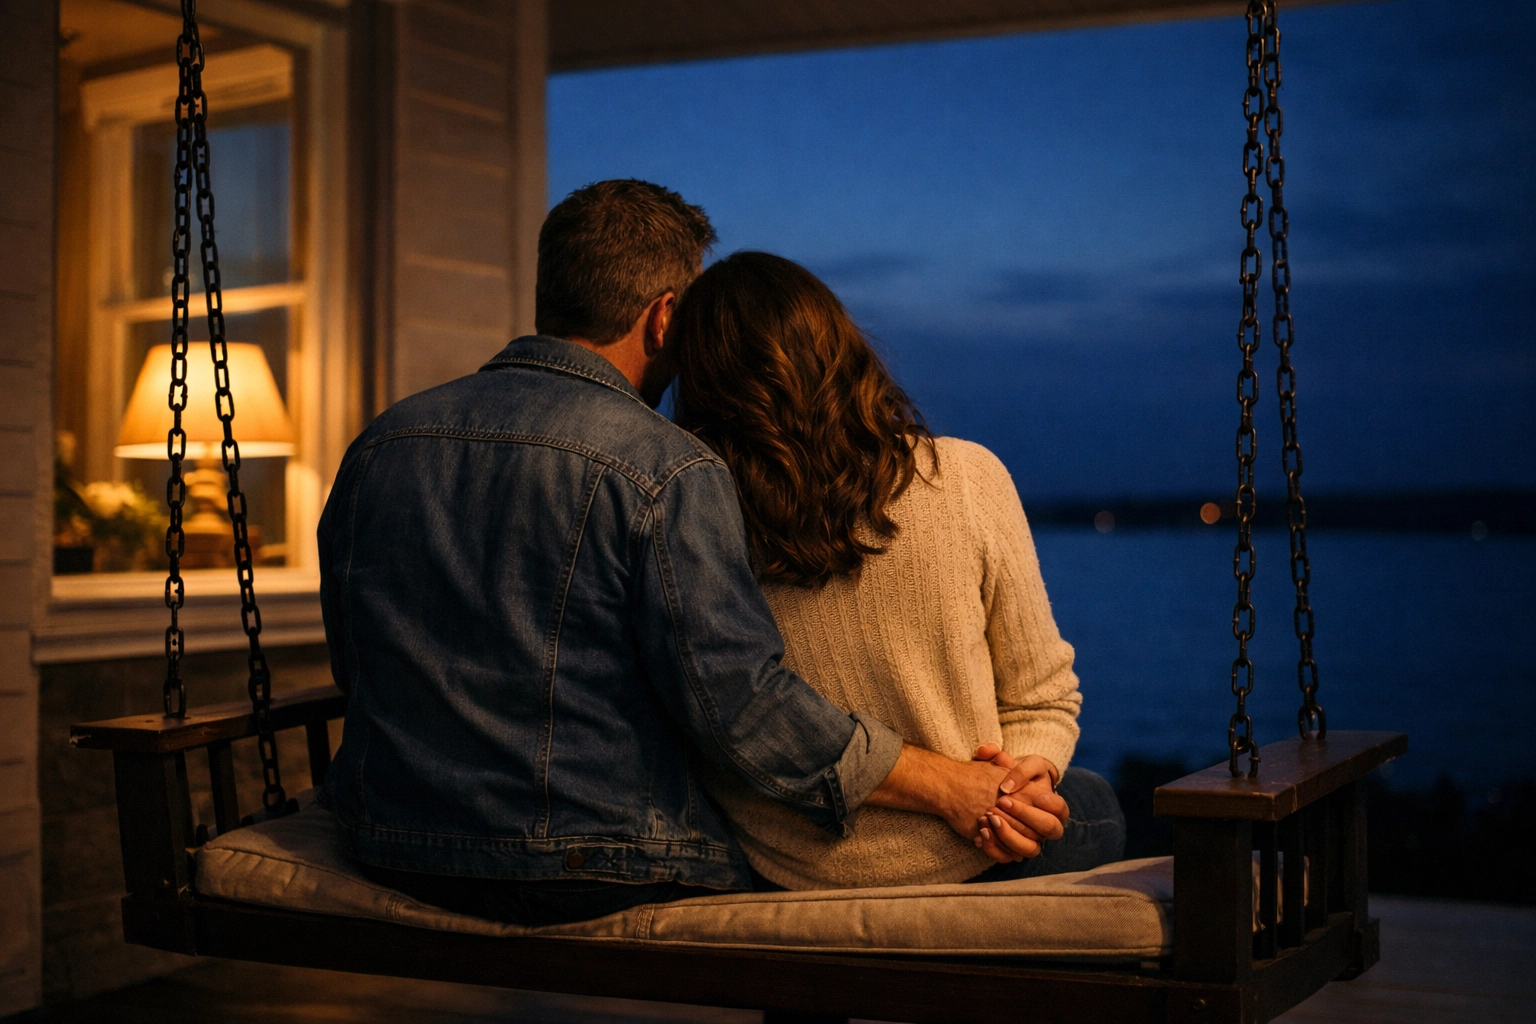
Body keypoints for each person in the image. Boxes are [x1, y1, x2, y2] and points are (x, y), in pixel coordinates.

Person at [316, 180, 1060, 927]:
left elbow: (356, 658)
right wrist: (950, 785)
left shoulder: (382, 442)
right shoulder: (663, 466)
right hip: (591, 864)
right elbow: (741, 707)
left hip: (387, 843)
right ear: (666, 316)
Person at [670, 251, 1126, 890]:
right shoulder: (964, 478)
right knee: (1096, 803)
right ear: (840, 349)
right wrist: (1025, 784)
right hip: (964, 853)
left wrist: (1015, 789)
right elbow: (1044, 695)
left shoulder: (692, 521)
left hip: (788, 868)